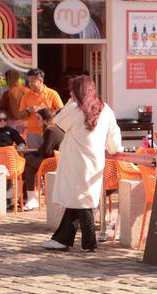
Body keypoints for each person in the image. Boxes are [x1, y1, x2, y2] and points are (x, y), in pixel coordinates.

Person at [44, 76, 122, 252]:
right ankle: (62, 239)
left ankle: (89, 243)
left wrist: (71, 101)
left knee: (82, 201)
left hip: (76, 163)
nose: (70, 93)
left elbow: (58, 121)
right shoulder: (106, 109)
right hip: (95, 162)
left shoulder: (74, 108)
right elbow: (114, 142)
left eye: (72, 90)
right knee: (81, 199)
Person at [21, 108, 63, 211]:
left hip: (54, 163)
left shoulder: (50, 130)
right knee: (29, 167)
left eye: (38, 118)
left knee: (26, 159)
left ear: (45, 120)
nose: (36, 120)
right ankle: (30, 198)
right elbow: (45, 150)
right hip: (55, 161)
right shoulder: (53, 128)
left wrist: (31, 153)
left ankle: (27, 196)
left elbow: (46, 152)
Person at [18, 68, 63, 150]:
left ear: (40, 81)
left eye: (32, 82)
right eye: (29, 81)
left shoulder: (52, 94)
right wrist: (28, 110)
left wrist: (47, 113)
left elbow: (61, 111)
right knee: (35, 158)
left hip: (49, 132)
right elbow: (20, 115)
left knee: (50, 158)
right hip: (32, 133)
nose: (29, 84)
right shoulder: (26, 96)